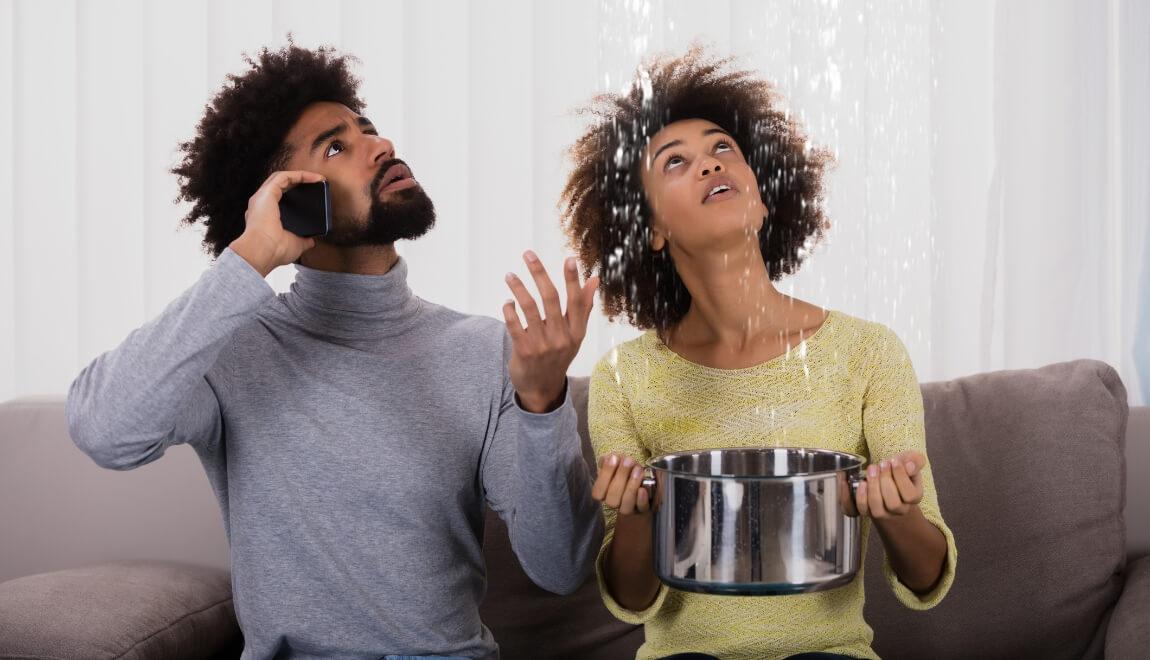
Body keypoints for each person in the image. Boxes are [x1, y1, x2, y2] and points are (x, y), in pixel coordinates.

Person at [67, 42, 602, 660]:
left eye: (368, 130)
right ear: (289, 201)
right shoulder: (234, 350)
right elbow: (102, 428)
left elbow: (560, 566)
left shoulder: (488, 351)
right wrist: (251, 257)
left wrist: (542, 403)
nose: (381, 147)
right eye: (337, 147)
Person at [559, 48, 957, 660]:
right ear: (652, 230)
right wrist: (635, 513)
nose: (709, 165)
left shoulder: (868, 353)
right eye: (675, 162)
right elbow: (632, 598)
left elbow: (927, 577)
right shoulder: (624, 377)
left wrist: (897, 512)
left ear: (764, 198)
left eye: (723, 149)